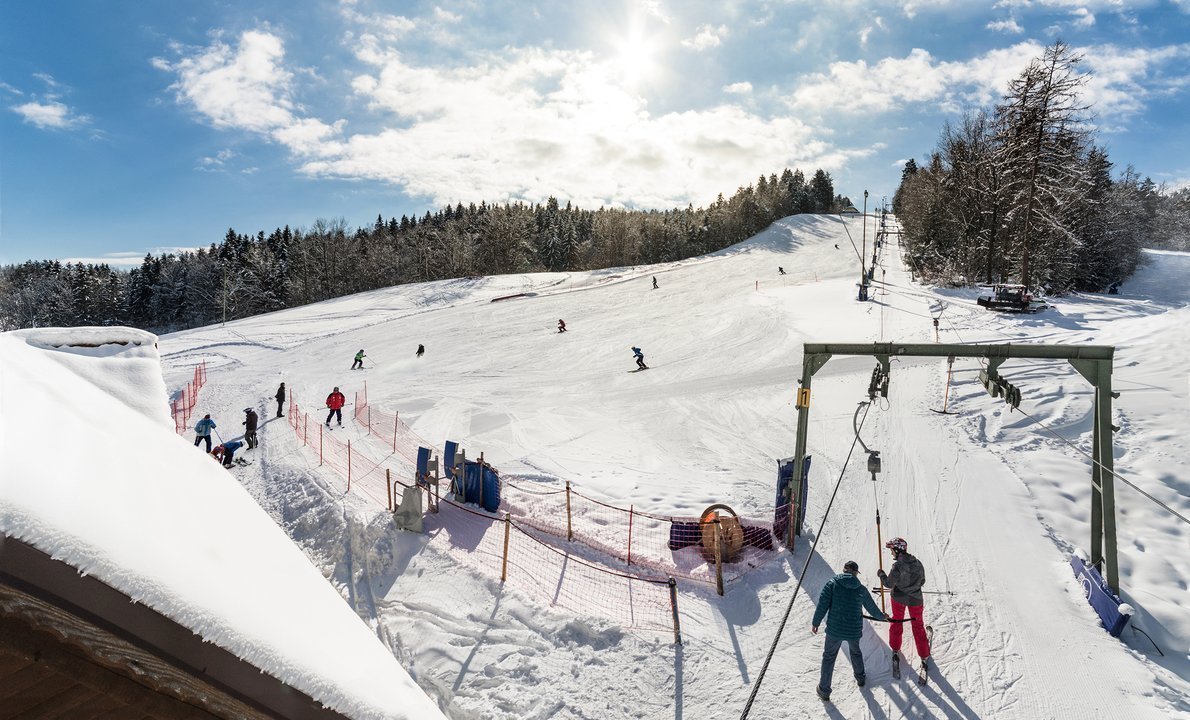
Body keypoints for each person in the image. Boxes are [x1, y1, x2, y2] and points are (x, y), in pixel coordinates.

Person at [811, 560, 887, 701]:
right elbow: (872, 608)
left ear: (844, 570)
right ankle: (860, 678)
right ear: (856, 573)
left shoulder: (832, 584)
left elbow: (822, 604)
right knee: (855, 652)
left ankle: (824, 690)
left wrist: (816, 622)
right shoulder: (860, 589)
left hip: (834, 629)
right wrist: (883, 617)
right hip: (853, 630)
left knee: (828, 657)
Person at [877, 537, 931, 675]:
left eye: (891, 550)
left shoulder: (897, 566)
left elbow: (888, 584)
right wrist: (912, 587)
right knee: (918, 625)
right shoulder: (918, 563)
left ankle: (895, 647)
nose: (891, 553)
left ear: (897, 549)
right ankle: (924, 654)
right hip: (915, 600)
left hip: (899, 598)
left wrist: (882, 574)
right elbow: (922, 580)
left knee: (896, 621)